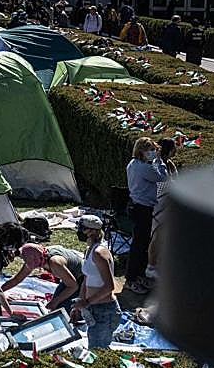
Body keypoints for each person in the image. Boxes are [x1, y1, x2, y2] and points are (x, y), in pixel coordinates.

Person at [125, 136, 168, 294]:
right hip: (143, 208)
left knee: (143, 244)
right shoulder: (144, 168)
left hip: (139, 206)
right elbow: (163, 179)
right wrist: (160, 161)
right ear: (141, 151)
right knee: (139, 245)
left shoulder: (135, 164)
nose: (152, 153)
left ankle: (138, 275)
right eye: (150, 150)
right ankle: (131, 278)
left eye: (153, 150)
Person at [71, 214, 119, 349]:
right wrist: (78, 305)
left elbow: (109, 286)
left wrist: (86, 302)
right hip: (93, 308)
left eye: (82, 229)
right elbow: (86, 280)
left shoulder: (99, 253)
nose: (79, 232)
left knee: (97, 351)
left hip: (104, 311)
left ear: (92, 231)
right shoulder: (89, 251)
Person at [1, 243, 84, 313]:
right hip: (70, 278)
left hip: (83, 279)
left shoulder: (55, 262)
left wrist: (55, 301)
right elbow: (17, 279)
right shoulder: (37, 255)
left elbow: (73, 286)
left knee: (64, 308)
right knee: (54, 304)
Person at [147, 136, 179, 279]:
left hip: (169, 207)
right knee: (156, 237)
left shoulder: (169, 164)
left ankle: (160, 263)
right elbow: (160, 186)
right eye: (173, 148)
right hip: (158, 206)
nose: (175, 151)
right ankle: (151, 267)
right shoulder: (157, 164)